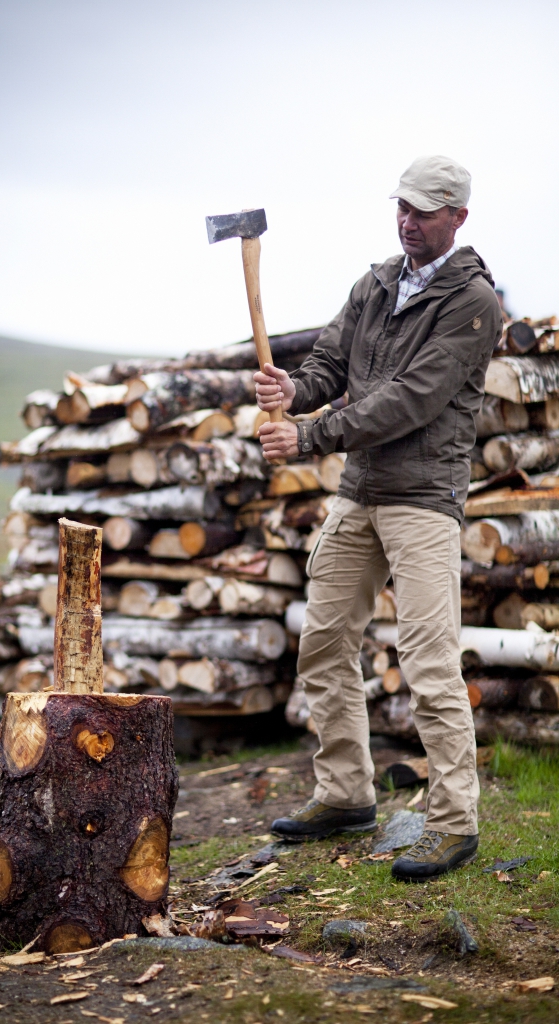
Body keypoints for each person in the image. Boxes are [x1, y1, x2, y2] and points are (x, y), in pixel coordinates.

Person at [253, 155, 503, 881]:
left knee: (427, 662)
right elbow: (330, 365)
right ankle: (344, 794)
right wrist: (291, 389)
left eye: (424, 211)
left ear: (457, 216)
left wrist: (307, 435)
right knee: (324, 642)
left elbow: (409, 401)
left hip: (422, 500)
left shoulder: (473, 302)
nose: (407, 221)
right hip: (358, 492)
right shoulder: (376, 282)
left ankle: (453, 822)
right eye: (401, 207)